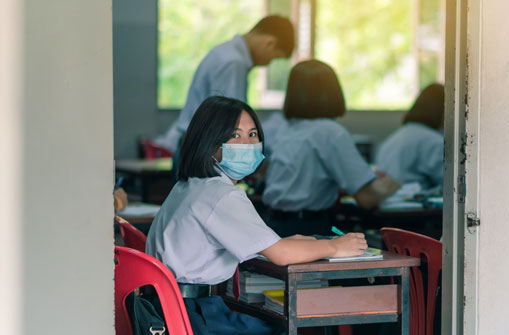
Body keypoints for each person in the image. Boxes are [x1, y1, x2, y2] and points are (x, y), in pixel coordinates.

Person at [146, 96, 368, 335]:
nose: (248, 144)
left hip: (171, 320)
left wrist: (287, 243)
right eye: (235, 135)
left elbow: (259, 244)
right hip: (197, 327)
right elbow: (278, 255)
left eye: (253, 135)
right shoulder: (221, 194)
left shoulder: (188, 187)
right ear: (211, 142)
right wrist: (335, 246)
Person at [262, 60, 401, 237]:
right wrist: (392, 185)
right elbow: (366, 199)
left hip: (272, 226)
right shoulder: (330, 132)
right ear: (333, 92)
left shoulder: (284, 128)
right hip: (310, 228)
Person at [154, 15, 295, 154]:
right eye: (274, 57)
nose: (268, 63)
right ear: (269, 43)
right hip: (202, 150)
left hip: (196, 145)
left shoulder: (225, 52)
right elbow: (231, 124)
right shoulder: (233, 63)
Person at [375, 83, 445, 190]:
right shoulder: (434, 141)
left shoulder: (394, 137)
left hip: (388, 201)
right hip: (417, 202)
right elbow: (448, 182)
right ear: (441, 110)